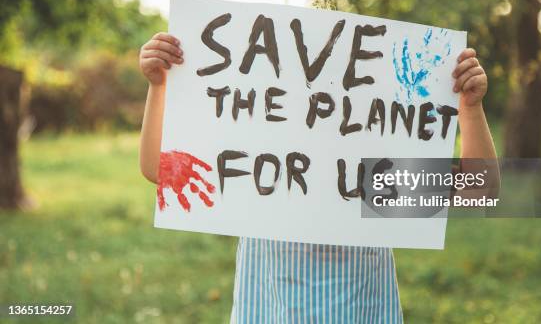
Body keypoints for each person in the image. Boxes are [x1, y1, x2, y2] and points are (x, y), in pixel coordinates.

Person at [139, 32, 498, 323]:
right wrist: (160, 87)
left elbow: (479, 187)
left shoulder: (377, 178)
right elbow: (158, 168)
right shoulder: (256, 169)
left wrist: (469, 108)